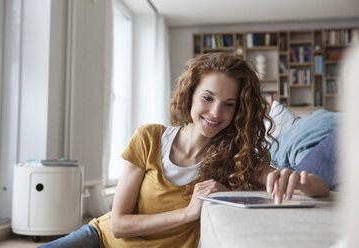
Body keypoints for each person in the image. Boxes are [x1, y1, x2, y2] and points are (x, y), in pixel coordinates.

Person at [38, 53, 329, 248]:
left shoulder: (236, 160)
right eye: (208, 97)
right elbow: (119, 224)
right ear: (190, 95)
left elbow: (320, 190)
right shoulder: (148, 138)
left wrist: (299, 180)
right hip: (99, 239)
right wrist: (188, 213)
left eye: (230, 104)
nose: (216, 112)